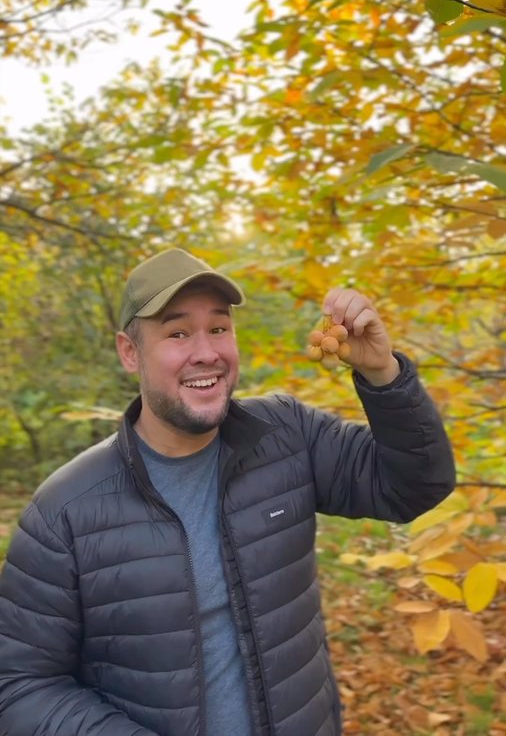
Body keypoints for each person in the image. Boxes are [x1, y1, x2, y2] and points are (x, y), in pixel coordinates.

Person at [0, 247, 455, 736]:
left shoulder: (286, 434)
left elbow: (413, 486)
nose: (207, 352)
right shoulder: (66, 510)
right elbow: (20, 685)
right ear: (130, 352)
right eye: (177, 333)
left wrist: (383, 373)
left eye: (218, 328)